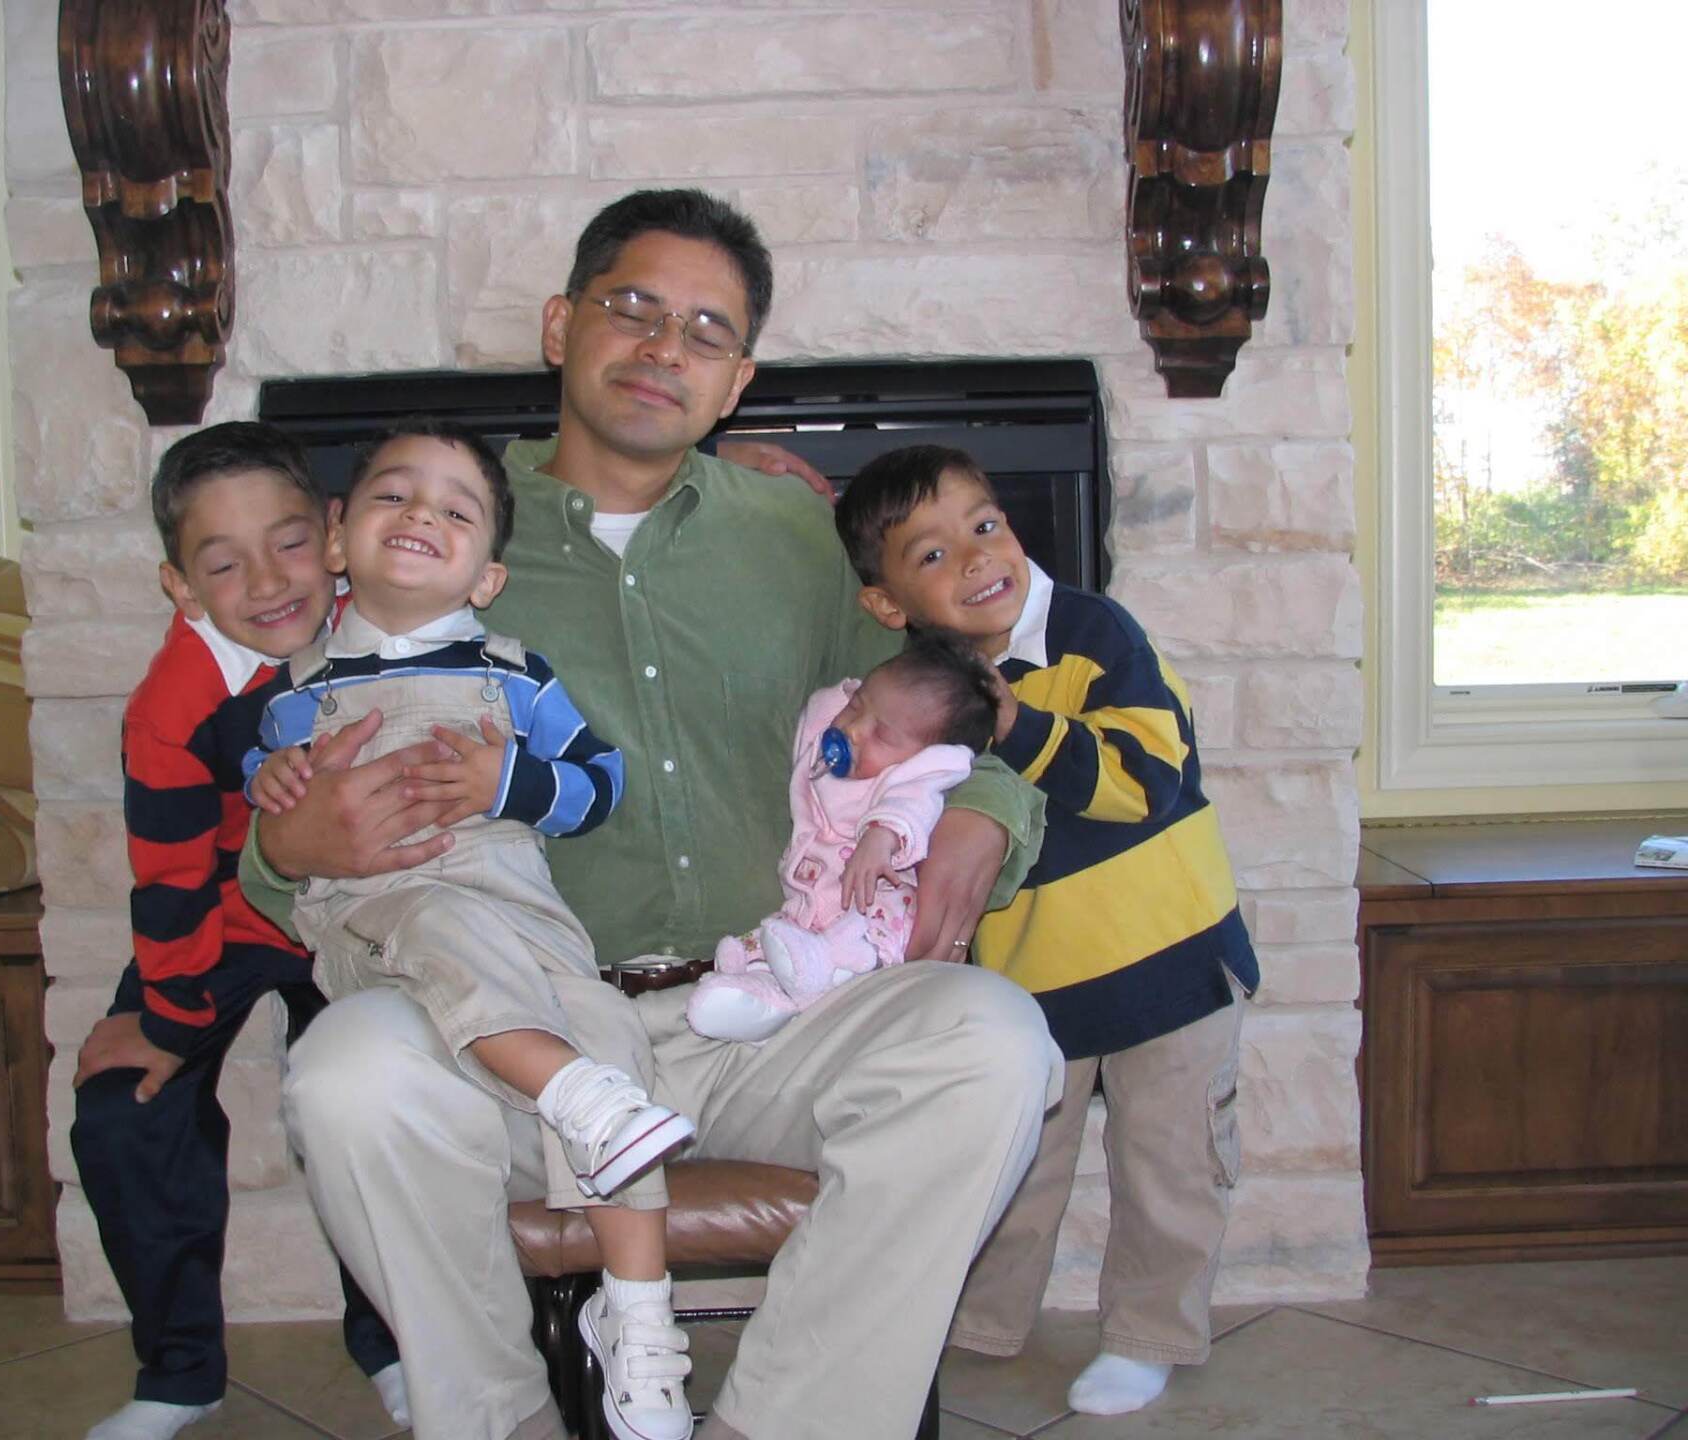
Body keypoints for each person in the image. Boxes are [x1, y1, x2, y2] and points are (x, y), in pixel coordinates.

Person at [239, 188, 1061, 1440]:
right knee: (348, 1072)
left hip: (766, 1011)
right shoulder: (441, 525)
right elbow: (292, 815)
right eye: (633, 307)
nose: (665, 346)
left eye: (706, 330)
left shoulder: (795, 534)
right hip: (525, 1036)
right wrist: (284, 846)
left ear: (737, 382)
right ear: (561, 325)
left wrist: (985, 812)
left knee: (995, 1042)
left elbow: (952, 699)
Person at [247, 422, 697, 1439]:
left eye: (455, 510)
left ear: (487, 576)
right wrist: (273, 785)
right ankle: (564, 1091)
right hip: (385, 908)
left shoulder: (517, 675)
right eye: (393, 495)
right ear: (337, 538)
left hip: (522, 914)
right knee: (443, 923)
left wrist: (510, 781)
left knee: (610, 1042)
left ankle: (637, 1318)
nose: (421, 515)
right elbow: (267, 795)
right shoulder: (297, 693)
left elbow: (600, 782)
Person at [833, 442, 1261, 1417]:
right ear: (888, 604)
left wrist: (1016, 724)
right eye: (932, 554)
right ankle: (983, 1321)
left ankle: (1150, 1333)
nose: (976, 557)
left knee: (1170, 1164)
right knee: (1011, 1161)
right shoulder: (915, 689)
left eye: (985, 526)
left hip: (1170, 959)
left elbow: (1146, 780)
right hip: (1034, 983)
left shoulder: (1094, 632)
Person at [68, 423, 405, 1440]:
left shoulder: (387, 620)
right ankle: (179, 1371)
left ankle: (393, 1337)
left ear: (334, 534)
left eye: (289, 542)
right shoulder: (168, 707)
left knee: (376, 1097)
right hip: (225, 908)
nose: (267, 581)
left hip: (356, 905)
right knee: (125, 1106)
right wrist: (171, 1021)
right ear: (181, 587)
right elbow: (171, 880)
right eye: (223, 564)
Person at [687, 634, 999, 1042]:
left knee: (865, 934)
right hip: (815, 904)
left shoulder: (910, 777)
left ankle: (832, 974)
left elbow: (912, 805)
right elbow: (828, 709)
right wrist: (849, 704)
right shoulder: (826, 748)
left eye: (882, 735)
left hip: (873, 903)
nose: (853, 729)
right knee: (781, 941)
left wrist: (882, 836)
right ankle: (759, 999)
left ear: (926, 755)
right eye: (855, 706)